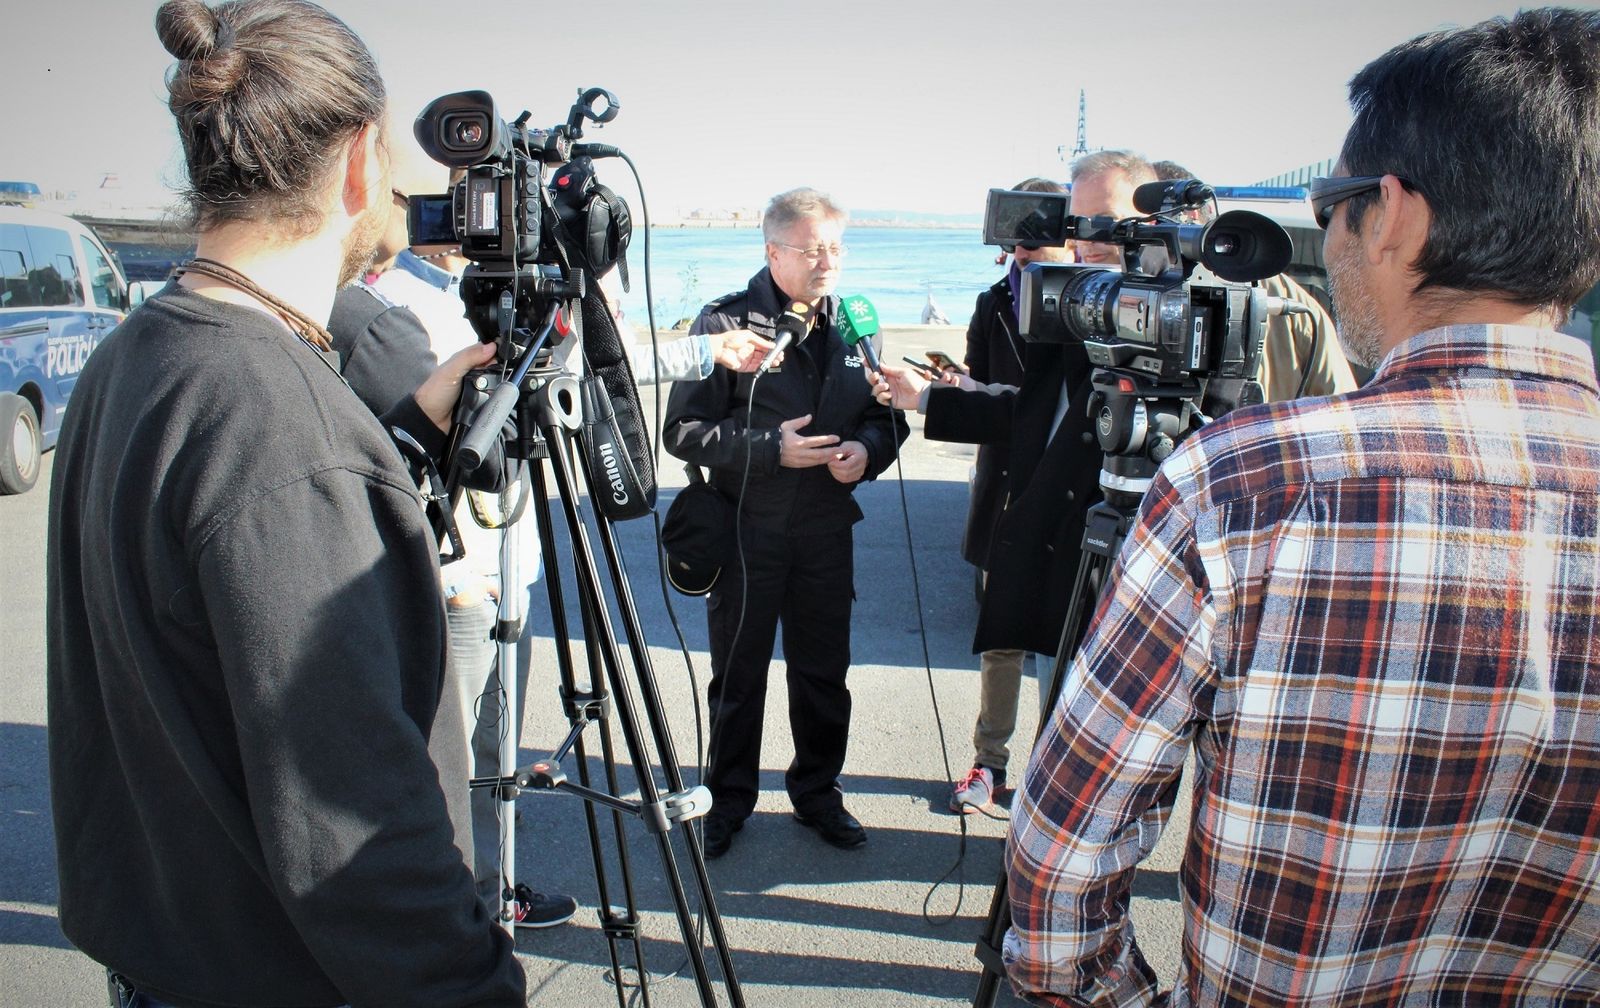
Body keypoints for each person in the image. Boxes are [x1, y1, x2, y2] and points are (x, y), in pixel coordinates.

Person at [1005, 8, 1600, 1006]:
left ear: (1395, 213)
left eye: (1331, 204)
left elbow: (1061, 863)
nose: (1322, 235)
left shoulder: (1240, 485)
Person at [45, 1, 523, 1006]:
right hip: (279, 977)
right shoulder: (278, 422)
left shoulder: (136, 352)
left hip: (166, 951)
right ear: (359, 161)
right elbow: (356, 829)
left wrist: (395, 456)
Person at [328, 161, 578, 929]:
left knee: (495, 759)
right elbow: (462, 454)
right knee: (452, 758)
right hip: (458, 583)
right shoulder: (377, 310)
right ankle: (454, 911)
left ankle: (493, 889)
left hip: (510, 568)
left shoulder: (478, 300)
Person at [662, 187, 906, 858]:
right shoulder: (725, 324)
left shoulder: (859, 323)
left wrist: (868, 452)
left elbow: (887, 418)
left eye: (835, 247)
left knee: (824, 673)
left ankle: (817, 794)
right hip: (747, 527)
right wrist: (773, 450)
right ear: (773, 251)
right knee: (738, 676)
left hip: (827, 530)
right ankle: (727, 800)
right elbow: (680, 431)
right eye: (810, 249)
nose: (827, 261)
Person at [948, 176, 1074, 814]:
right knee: (1000, 637)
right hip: (1004, 485)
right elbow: (979, 383)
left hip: (1064, 496)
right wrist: (952, 389)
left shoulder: (1090, 306)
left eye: (1038, 249)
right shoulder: (992, 300)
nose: (1023, 260)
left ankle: (1053, 773)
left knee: (1062, 642)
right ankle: (987, 764)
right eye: (1017, 251)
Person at [1150, 158, 1358, 401]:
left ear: (1190, 216)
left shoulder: (1296, 310)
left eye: (1148, 224)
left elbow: (1344, 415)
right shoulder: (1132, 298)